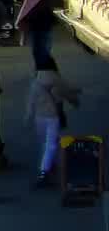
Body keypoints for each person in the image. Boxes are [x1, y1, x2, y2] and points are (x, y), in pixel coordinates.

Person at [27, 52, 82, 187]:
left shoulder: (36, 79)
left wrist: (28, 116)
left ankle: (51, 166)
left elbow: (31, 100)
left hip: (39, 117)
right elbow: (66, 91)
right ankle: (45, 172)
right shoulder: (56, 78)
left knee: (45, 143)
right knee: (51, 144)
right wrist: (76, 99)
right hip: (52, 116)